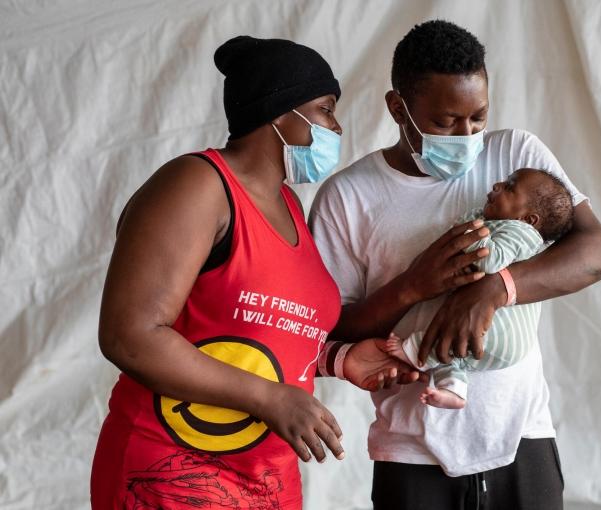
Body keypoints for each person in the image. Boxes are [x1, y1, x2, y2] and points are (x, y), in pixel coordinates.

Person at [91, 36, 416, 510]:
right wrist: (269, 399)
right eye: (325, 109)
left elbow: (265, 339)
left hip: (266, 483)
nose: (336, 125)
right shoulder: (197, 185)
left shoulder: (289, 206)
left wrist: (338, 361)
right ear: (280, 114)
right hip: (171, 474)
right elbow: (130, 335)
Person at [309, 21, 601, 510]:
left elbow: (598, 253)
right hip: (411, 449)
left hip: (523, 436)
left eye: (478, 117)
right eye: (445, 122)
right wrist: (413, 286)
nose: (467, 135)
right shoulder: (348, 198)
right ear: (397, 108)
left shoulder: (516, 157)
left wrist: (495, 289)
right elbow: (327, 330)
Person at [385, 168, 575, 409]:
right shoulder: (504, 226)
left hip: (503, 333)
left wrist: (471, 228)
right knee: (452, 352)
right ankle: (453, 389)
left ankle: (415, 351)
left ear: (529, 219)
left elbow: (490, 260)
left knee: (446, 336)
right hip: (497, 338)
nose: (497, 185)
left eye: (509, 187)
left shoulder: (522, 233)